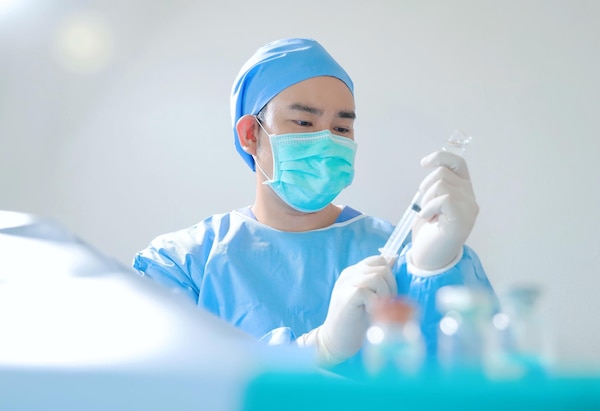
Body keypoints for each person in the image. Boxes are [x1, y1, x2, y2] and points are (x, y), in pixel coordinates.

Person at [133, 37, 495, 368]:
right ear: (250, 134)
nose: (325, 142)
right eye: (304, 122)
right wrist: (318, 347)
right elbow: (165, 382)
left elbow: (476, 376)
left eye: (341, 129)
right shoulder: (183, 264)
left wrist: (437, 270)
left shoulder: (401, 251)